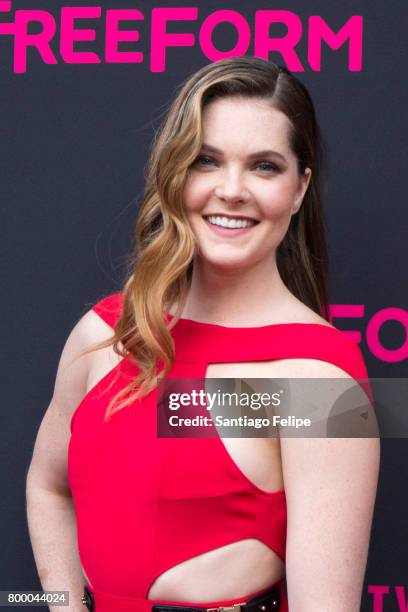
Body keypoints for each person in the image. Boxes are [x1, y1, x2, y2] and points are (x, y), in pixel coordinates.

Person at [26, 57, 380, 612]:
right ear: (173, 171)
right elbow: (47, 488)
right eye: (205, 161)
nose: (231, 190)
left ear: (299, 188)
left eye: (264, 167)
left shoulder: (315, 380)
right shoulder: (108, 329)